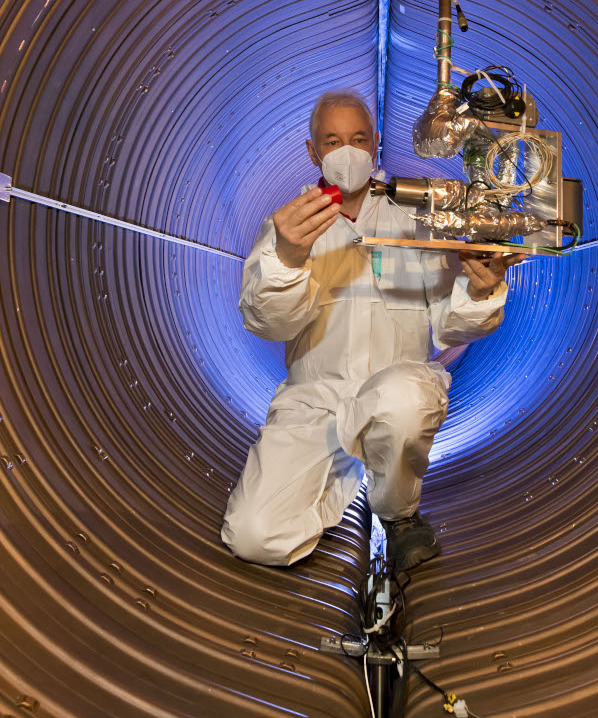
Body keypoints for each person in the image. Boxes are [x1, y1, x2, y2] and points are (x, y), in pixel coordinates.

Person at [221, 89, 520, 571]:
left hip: (397, 387)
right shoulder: (288, 227)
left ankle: (397, 513)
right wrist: (291, 258)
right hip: (316, 400)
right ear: (312, 150)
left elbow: (451, 324)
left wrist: (479, 291)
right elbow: (266, 321)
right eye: (333, 140)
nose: (347, 152)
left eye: (358, 139)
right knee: (253, 536)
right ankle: (344, 494)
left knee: (402, 398)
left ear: (376, 143)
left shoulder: (418, 216)